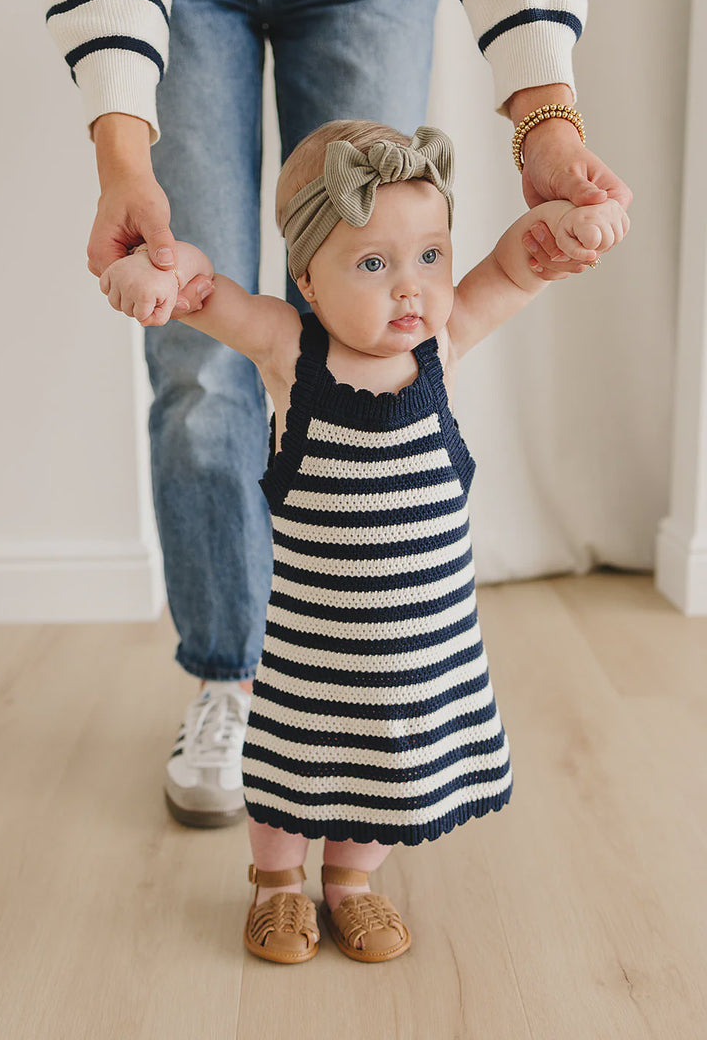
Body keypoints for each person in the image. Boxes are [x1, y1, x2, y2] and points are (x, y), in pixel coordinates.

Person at [25, 0, 632, 827]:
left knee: (386, 337)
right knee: (198, 367)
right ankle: (234, 680)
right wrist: (122, 154)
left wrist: (545, 116)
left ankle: (360, 692)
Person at [98, 120, 629, 961]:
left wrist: (565, 225)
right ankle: (277, 884)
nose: (411, 289)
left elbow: (516, 267)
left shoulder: (442, 350)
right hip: (315, 649)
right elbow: (206, 293)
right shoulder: (291, 351)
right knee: (289, 765)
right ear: (307, 277)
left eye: (430, 256)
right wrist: (159, 273)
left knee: (388, 765)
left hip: (421, 651)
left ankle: (351, 882)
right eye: (374, 264)